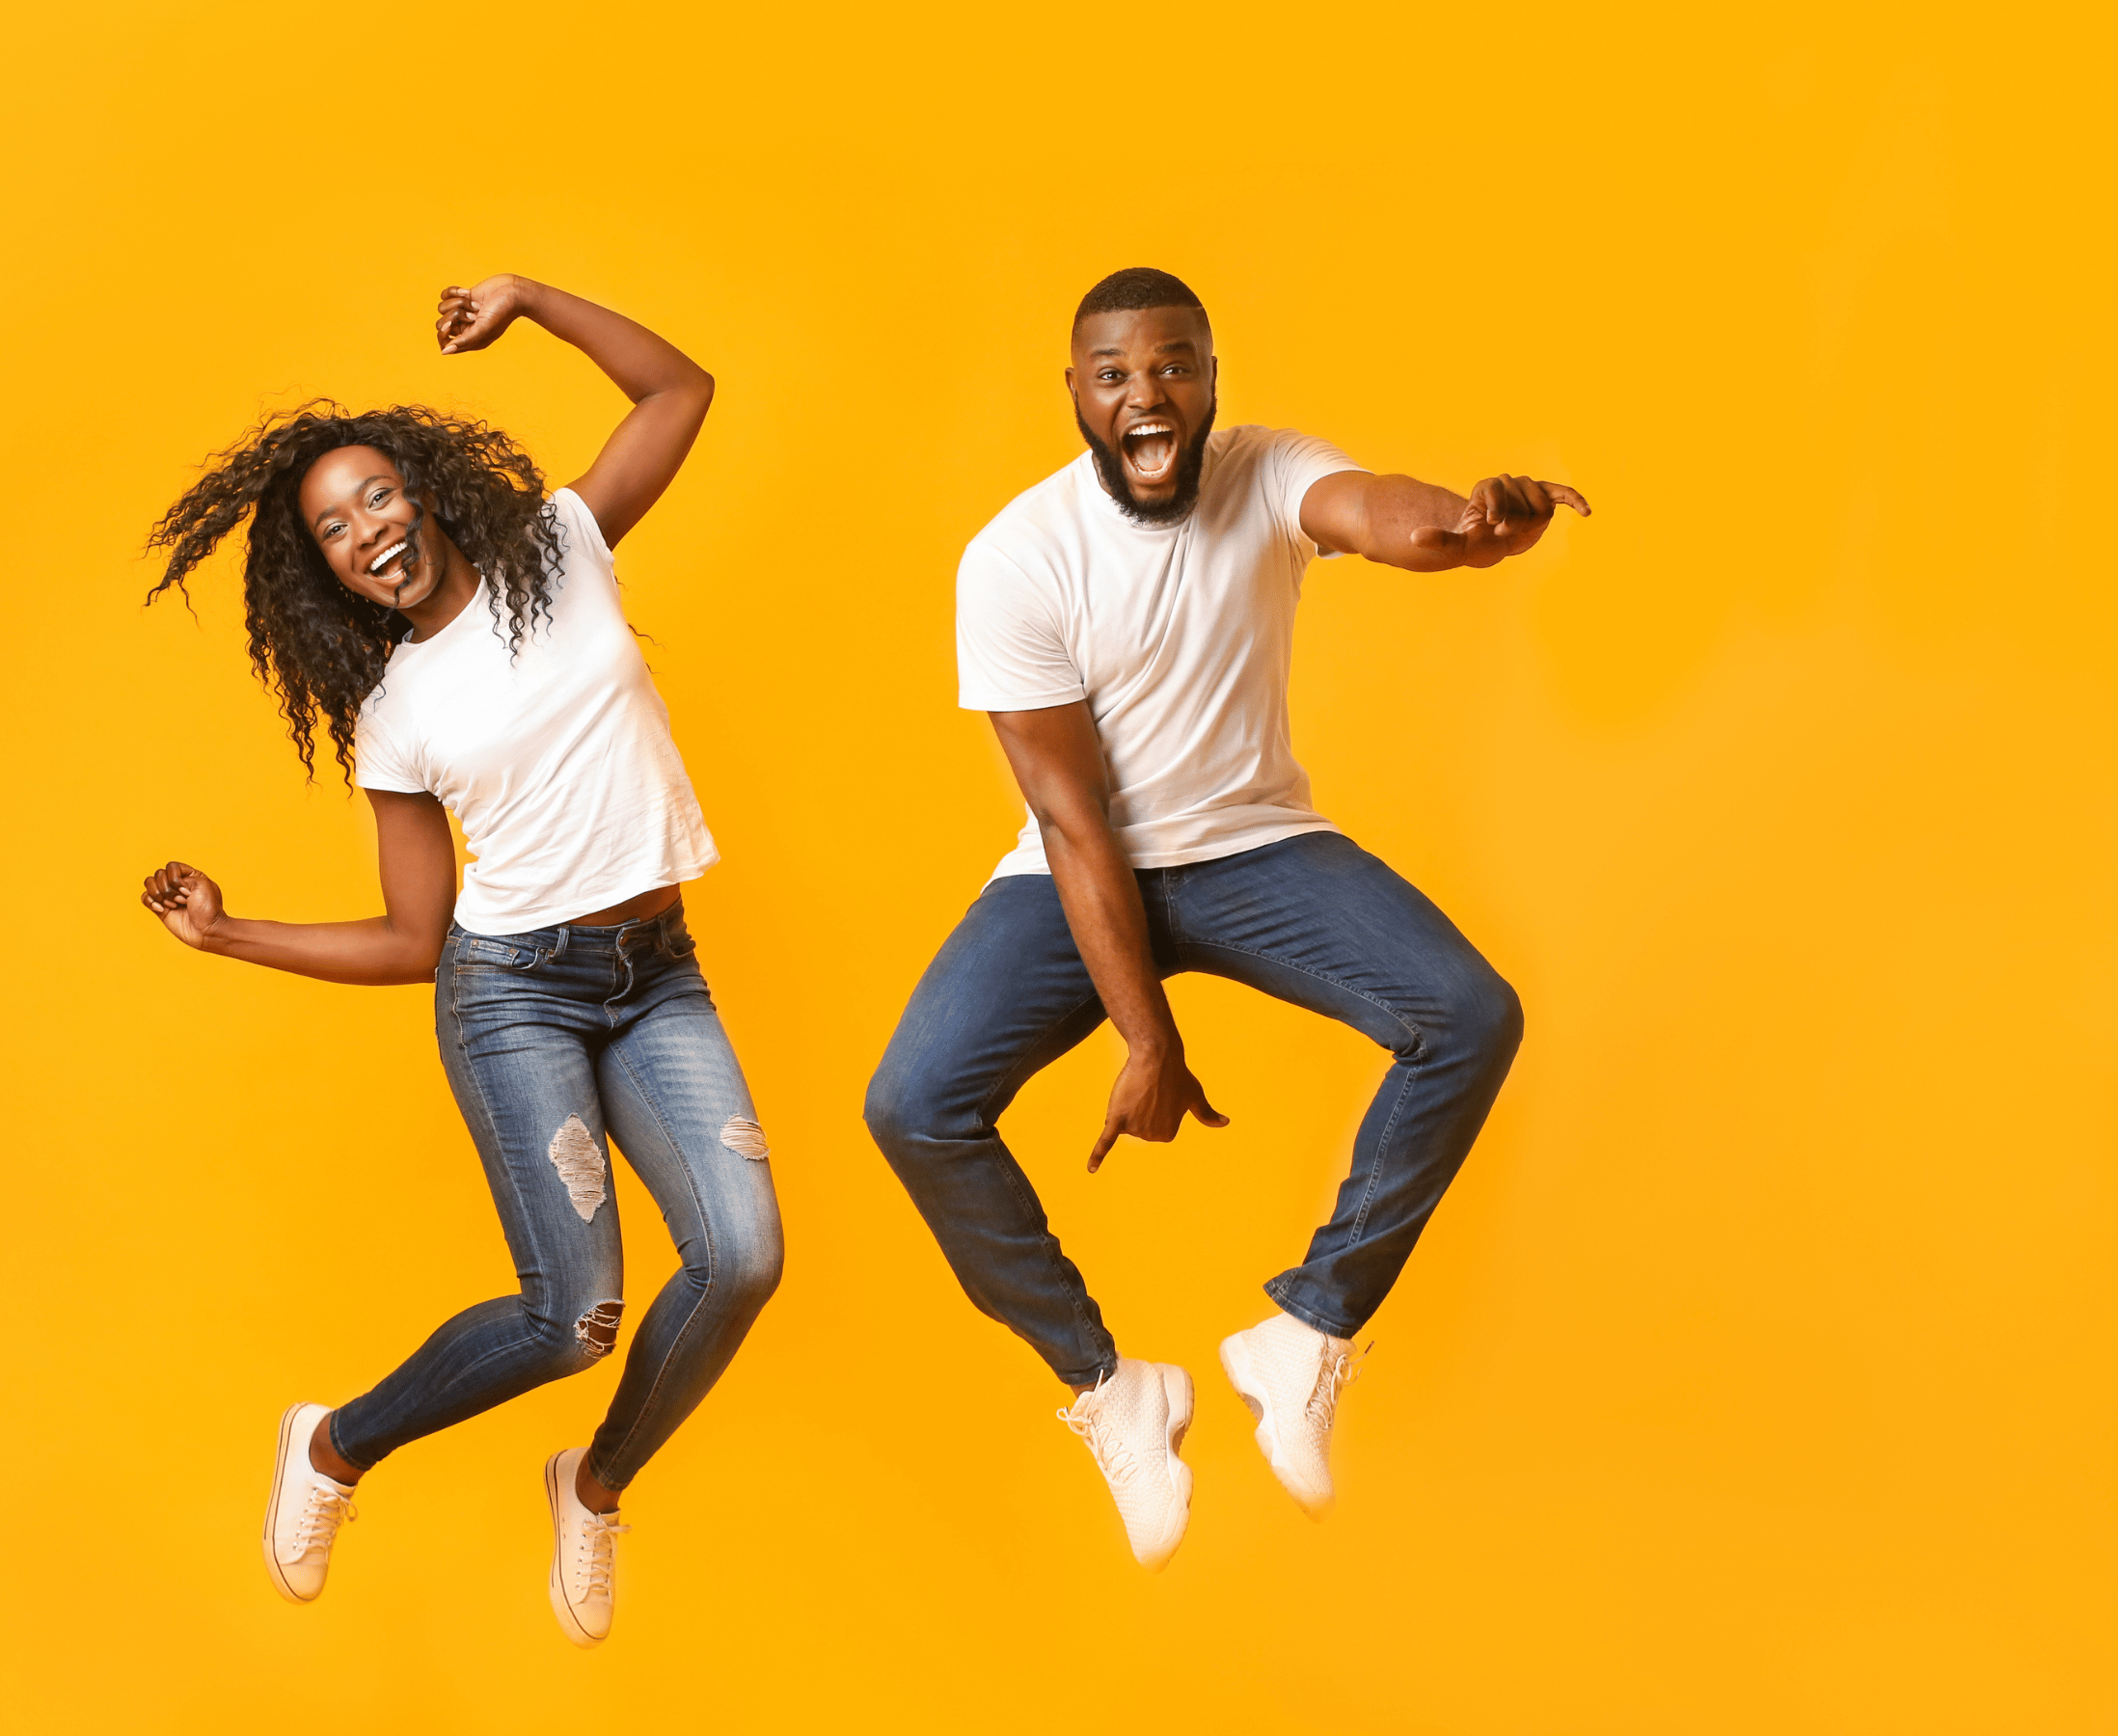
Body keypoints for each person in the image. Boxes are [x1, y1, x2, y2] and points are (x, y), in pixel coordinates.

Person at [863, 266, 1588, 1569]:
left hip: (1258, 849)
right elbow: (1081, 825)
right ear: (1077, 394)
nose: (1150, 392)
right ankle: (1110, 1387)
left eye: (1175, 365)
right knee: (912, 1106)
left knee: (1471, 1014)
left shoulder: (1265, 472)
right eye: (1117, 373)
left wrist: (1481, 527)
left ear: (1209, 378)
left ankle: (1308, 1328)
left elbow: (1380, 514)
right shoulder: (1017, 559)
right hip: (1079, 877)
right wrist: (1147, 1041)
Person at [139, 276, 780, 1646]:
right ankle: (332, 1446)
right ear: (323, 573)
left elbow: (682, 393)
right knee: (573, 1315)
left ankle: (593, 1483)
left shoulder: (565, 544)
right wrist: (230, 930)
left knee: (743, 1260)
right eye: (333, 530)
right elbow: (414, 939)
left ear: (425, 490)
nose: (367, 531)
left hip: (655, 970)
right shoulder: (393, 713)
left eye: (377, 497)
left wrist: (537, 300)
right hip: (514, 996)